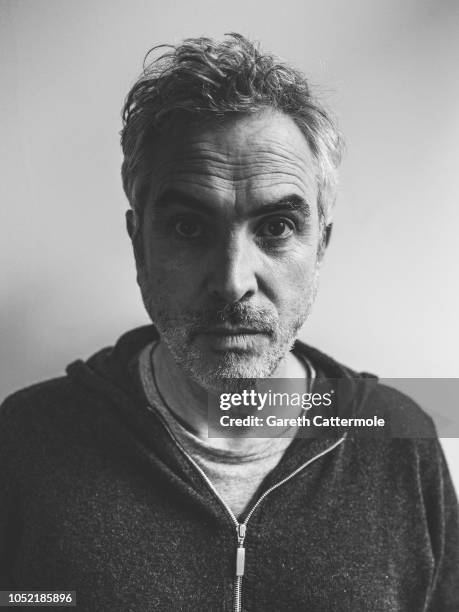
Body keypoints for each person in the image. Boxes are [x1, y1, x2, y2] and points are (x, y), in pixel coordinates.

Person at [1, 33, 458, 611]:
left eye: (276, 227)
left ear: (321, 247)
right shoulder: (26, 440)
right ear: (138, 243)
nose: (232, 279)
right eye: (190, 228)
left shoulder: (398, 438)